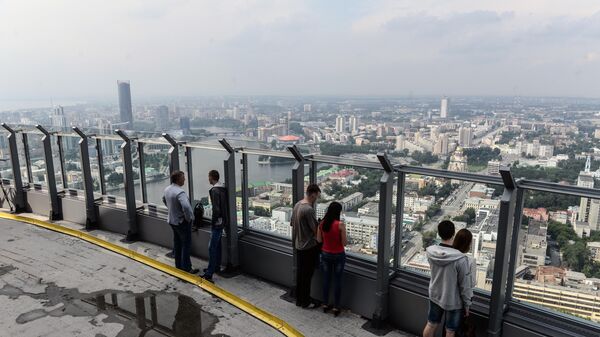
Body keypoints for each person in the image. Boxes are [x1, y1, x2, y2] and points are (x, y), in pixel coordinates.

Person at [423, 220, 472, 337]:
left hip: (435, 294)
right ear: (453, 234)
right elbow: (464, 285)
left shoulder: (430, 251)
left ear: (439, 234)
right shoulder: (460, 259)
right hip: (453, 300)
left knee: (431, 324)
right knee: (450, 331)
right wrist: (467, 304)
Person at [291, 183, 321, 308]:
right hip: (308, 246)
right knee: (307, 276)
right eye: (317, 196)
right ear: (313, 194)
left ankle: (300, 299)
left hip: (298, 244)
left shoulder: (297, 205)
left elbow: (292, 223)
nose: (317, 199)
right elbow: (315, 230)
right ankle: (305, 301)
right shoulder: (308, 209)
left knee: (300, 274)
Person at [163, 171, 199, 274]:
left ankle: (178, 266)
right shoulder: (180, 192)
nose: (184, 179)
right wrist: (188, 218)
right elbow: (187, 207)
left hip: (172, 220)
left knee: (177, 243)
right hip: (181, 222)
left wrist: (171, 209)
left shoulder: (167, 189)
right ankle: (187, 268)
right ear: (178, 179)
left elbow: (164, 200)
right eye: (183, 178)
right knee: (186, 245)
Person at [316, 201, 347, 317]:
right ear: (338, 212)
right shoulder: (340, 225)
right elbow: (344, 243)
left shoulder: (322, 224)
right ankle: (336, 307)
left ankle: (325, 304)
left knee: (326, 280)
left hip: (325, 254)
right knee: (337, 281)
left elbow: (318, 240)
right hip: (338, 255)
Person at [201, 170, 228, 282]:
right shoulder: (222, 189)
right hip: (223, 221)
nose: (208, 179)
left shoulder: (214, 190)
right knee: (218, 245)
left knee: (212, 247)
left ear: (212, 178)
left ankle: (209, 273)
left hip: (217, 222)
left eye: (209, 177)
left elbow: (216, 208)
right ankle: (216, 266)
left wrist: (214, 221)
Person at [452, 228, 477, 337]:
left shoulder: (449, 256)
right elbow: (471, 283)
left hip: (447, 296)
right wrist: (467, 306)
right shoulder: (469, 260)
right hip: (461, 299)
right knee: (458, 328)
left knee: (448, 325)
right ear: (468, 244)